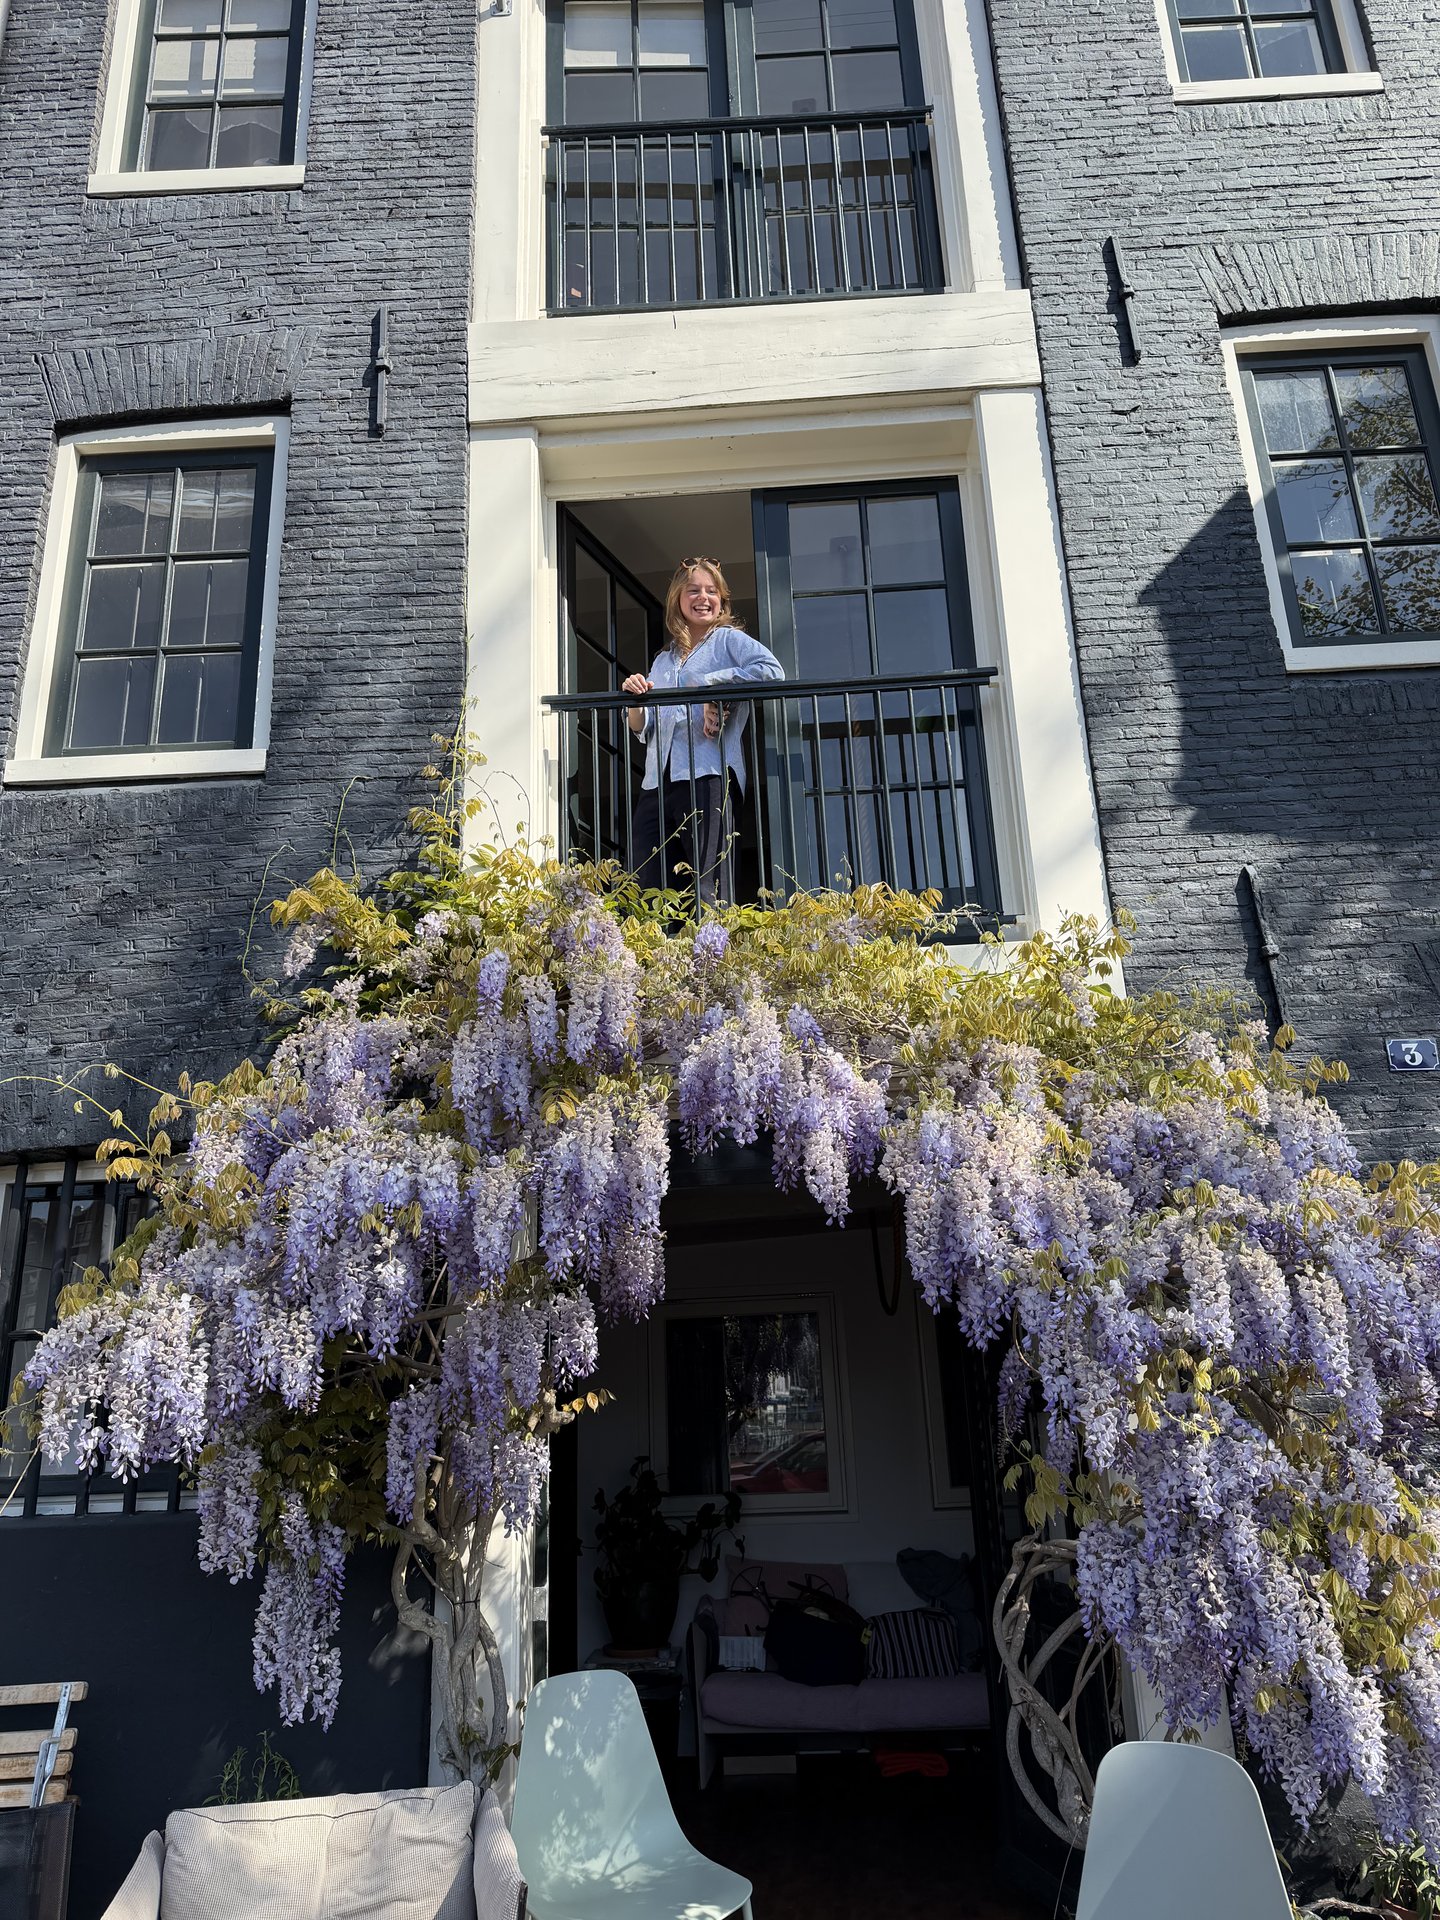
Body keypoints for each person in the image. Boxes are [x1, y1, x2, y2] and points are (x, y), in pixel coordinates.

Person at [621, 558, 784, 907]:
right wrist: (635, 699)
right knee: (650, 882)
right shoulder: (663, 660)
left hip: (706, 776)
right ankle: (660, 954)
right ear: (678, 598)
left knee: (706, 883)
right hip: (656, 783)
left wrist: (713, 685)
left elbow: (772, 671)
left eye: (712, 591)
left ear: (722, 600)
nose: (703, 597)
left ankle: (709, 955)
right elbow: (641, 727)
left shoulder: (727, 641)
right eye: (693, 590)